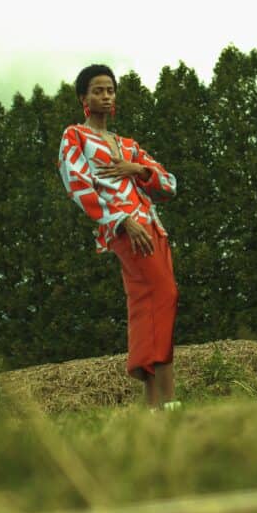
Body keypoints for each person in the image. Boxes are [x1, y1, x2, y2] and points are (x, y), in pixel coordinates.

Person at [57, 64, 181, 411]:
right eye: (98, 90)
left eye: (110, 90)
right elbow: (77, 185)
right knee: (164, 296)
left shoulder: (128, 145)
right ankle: (167, 400)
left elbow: (169, 184)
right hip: (128, 230)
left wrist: (137, 169)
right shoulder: (75, 136)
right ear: (84, 97)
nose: (106, 96)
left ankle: (153, 404)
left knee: (151, 303)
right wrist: (121, 221)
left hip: (154, 228)